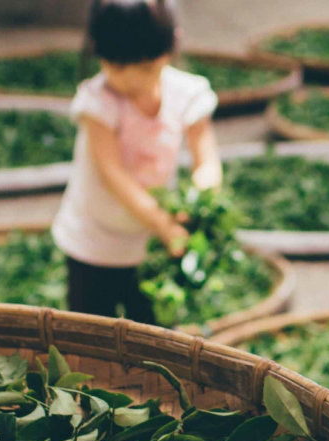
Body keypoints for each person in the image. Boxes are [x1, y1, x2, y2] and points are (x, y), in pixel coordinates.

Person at [53, 0, 221, 323]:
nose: (128, 81)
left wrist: (199, 199)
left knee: (152, 335)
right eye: (115, 67)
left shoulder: (187, 94)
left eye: (144, 69)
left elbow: (207, 160)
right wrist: (163, 224)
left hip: (149, 246)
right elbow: (112, 174)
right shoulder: (97, 103)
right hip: (94, 243)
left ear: (169, 50)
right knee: (91, 336)